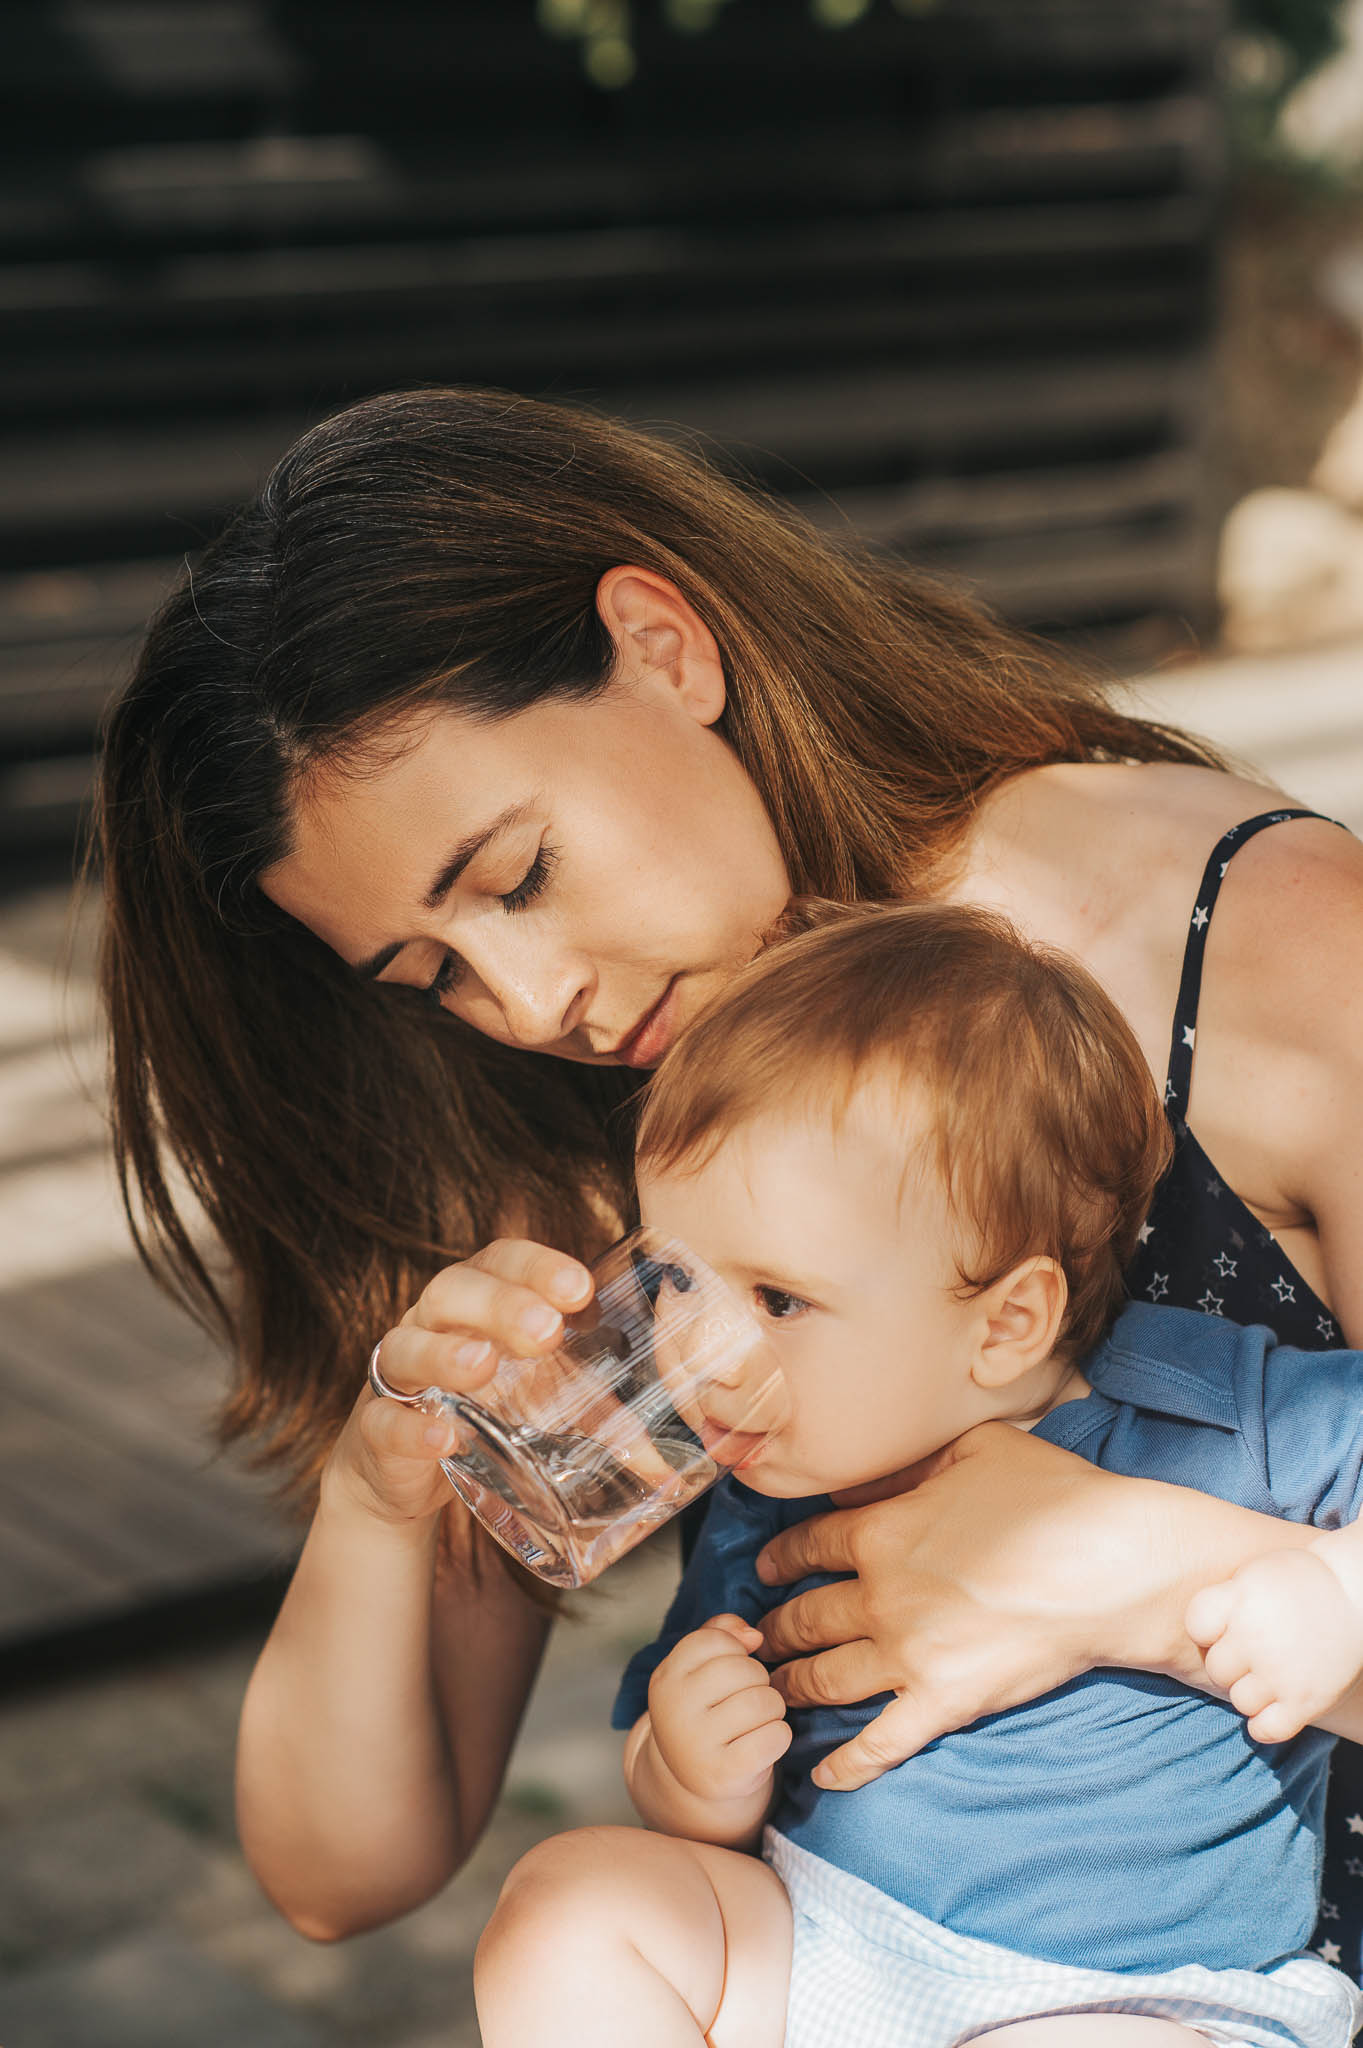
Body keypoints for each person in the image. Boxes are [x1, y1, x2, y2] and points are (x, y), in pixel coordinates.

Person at [93, 386, 1363, 1949]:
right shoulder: (600, 1124)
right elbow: (342, 1869)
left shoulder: (1266, 954)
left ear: (664, 646)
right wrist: (377, 1490)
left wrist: (1138, 1573)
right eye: (430, 976)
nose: (529, 999)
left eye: (519, 874)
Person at [474, 903, 1363, 2048]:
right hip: (826, 1939)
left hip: (1121, 1998)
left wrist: (1337, 1586)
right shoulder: (770, 1497)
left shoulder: (1225, 1415)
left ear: (1006, 1323)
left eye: (778, 1299)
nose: (696, 1350)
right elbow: (697, 1811)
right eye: (675, 1280)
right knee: (571, 1899)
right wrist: (688, 1771)